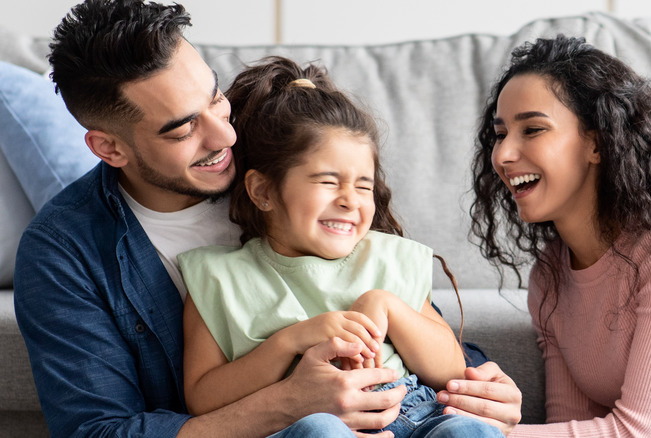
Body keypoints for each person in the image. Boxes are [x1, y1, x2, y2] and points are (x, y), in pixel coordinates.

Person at [13, 1, 409, 436]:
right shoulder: (62, 252)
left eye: (216, 98)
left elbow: (405, 300)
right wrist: (289, 404)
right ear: (110, 148)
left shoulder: (280, 159)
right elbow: (98, 431)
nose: (227, 135)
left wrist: (467, 386)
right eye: (183, 129)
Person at [437, 35, 651, 436]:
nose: (503, 154)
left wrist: (498, 433)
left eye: (532, 129)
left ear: (597, 144)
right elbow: (572, 424)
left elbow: (637, 432)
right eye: (500, 134)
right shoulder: (549, 277)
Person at [176, 56, 504, 438]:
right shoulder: (219, 279)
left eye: (364, 186)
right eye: (328, 182)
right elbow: (202, 398)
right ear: (262, 190)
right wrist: (289, 341)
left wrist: (388, 306)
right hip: (306, 423)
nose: (351, 200)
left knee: (465, 430)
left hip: (415, 412)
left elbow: (452, 369)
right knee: (321, 430)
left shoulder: (389, 259)